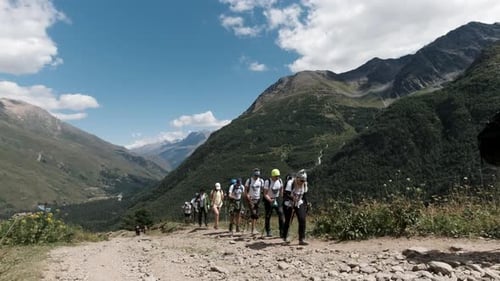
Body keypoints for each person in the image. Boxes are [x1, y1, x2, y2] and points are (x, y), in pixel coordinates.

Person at [282, 169, 309, 245]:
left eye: (303, 181)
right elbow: (286, 195)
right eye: (301, 181)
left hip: (299, 202)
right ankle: (285, 236)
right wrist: (292, 199)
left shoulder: (304, 184)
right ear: (297, 178)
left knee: (302, 219)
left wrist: (306, 204)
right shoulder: (290, 183)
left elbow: (304, 195)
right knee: (288, 220)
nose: (302, 182)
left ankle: (302, 239)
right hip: (289, 203)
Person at [263, 168, 285, 237]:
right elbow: (265, 193)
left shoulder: (280, 181)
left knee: (281, 214)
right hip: (269, 199)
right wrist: (269, 199)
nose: (277, 177)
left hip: (277, 198)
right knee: (268, 215)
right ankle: (268, 231)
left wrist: (282, 197)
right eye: (276, 176)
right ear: (272, 176)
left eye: (278, 176)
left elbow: (281, 189)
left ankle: (282, 231)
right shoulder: (267, 182)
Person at [245, 168, 265, 235]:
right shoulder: (249, 180)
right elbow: (246, 190)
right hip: (251, 199)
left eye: (258, 175)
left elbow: (262, 190)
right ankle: (253, 229)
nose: (257, 177)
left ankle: (251, 227)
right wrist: (248, 196)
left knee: (255, 213)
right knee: (254, 213)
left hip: (258, 199)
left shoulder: (261, 181)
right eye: (256, 175)